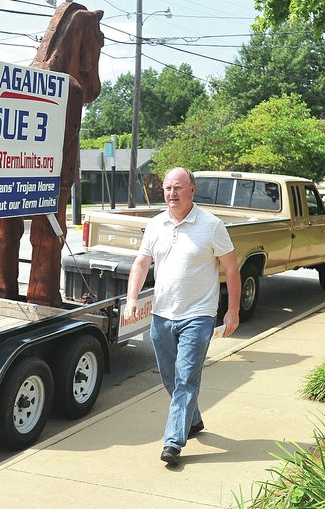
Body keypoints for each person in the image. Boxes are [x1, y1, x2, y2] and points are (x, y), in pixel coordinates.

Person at [125, 167, 240, 466]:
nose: (172, 193)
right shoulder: (156, 225)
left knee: (186, 378)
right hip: (162, 314)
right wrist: (132, 300)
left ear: (192, 189)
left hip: (198, 315)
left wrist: (233, 311)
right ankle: (193, 419)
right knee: (171, 378)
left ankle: (173, 442)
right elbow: (141, 264)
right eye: (167, 188)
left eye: (178, 187)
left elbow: (231, 269)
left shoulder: (211, 225)